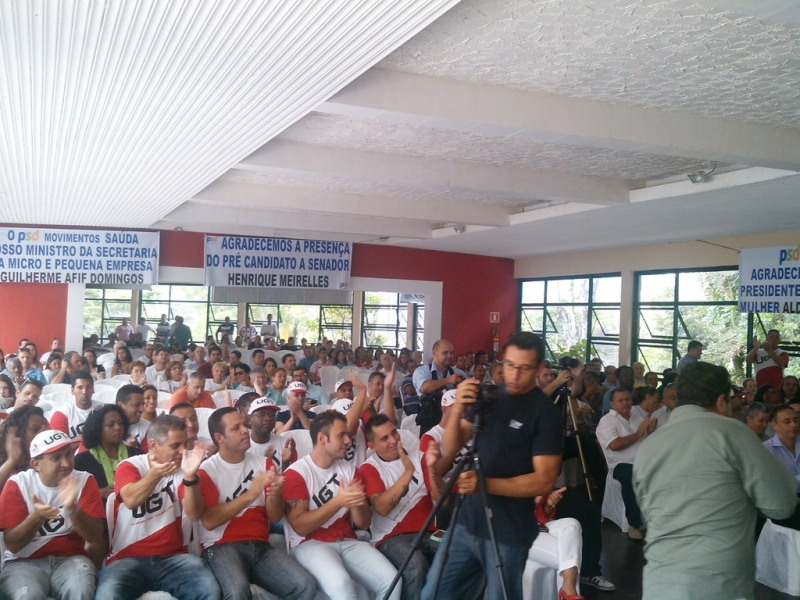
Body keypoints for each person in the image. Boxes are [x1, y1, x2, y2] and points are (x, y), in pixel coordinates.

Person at [633, 361, 797, 600]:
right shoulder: (733, 433)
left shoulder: (649, 447)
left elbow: (649, 512)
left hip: (660, 582)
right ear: (721, 400)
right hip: (719, 584)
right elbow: (781, 504)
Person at [421, 332, 563, 600]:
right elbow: (452, 446)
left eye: (524, 368)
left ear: (538, 368)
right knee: (434, 593)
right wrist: (459, 407)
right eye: (509, 365)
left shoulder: (545, 413)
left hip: (508, 531)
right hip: (466, 522)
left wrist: (485, 484)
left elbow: (544, 480)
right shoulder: (490, 397)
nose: (514, 374)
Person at [185, 407, 316, 600]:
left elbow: (275, 515)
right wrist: (250, 494)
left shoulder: (265, 464)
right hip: (221, 546)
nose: (245, 430)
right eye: (236, 428)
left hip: (260, 545)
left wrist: (275, 496)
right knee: (238, 593)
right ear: (220, 438)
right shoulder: (207, 471)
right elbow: (209, 521)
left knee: (305, 586)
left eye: (244, 425)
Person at [95, 414, 221, 600]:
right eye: (174, 446)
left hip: (174, 558)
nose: (182, 451)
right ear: (154, 445)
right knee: (107, 596)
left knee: (211, 592)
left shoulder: (184, 470)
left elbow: (194, 514)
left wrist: (190, 478)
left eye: (184, 444)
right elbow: (130, 499)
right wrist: (156, 474)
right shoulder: (130, 466)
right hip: (127, 558)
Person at [283, 411, 400, 600]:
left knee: (392, 579)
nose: (348, 440)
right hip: (309, 544)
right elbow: (300, 526)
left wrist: (356, 502)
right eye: (341, 435)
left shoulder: (349, 470)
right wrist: (339, 501)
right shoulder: (296, 474)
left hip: (346, 540)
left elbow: (362, 523)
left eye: (347, 434)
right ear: (322, 438)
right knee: (341, 583)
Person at [0, 429, 107, 600]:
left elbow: (95, 537)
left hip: (71, 558)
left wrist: (72, 508)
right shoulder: (18, 484)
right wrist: (37, 516)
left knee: (81, 590)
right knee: (28, 596)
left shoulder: (85, 480)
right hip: (22, 561)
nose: (66, 463)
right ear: (36, 464)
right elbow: (12, 545)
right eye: (56, 458)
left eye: (68, 454)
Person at [359, 414, 443, 600]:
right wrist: (408, 471)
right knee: (415, 565)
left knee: (465, 552)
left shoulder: (421, 457)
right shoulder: (369, 469)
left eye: (394, 433)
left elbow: (441, 499)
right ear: (372, 446)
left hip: (430, 532)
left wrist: (431, 469)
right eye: (384, 438)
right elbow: (382, 507)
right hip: (390, 537)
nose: (393, 440)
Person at [596, 387, 654, 540]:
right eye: (620, 400)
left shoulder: (637, 418)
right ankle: (634, 525)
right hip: (621, 465)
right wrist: (639, 433)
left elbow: (643, 441)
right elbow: (614, 445)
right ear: (612, 404)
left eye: (627, 399)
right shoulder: (607, 421)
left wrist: (649, 433)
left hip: (643, 461)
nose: (625, 403)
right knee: (631, 475)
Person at [74, 405, 144, 500]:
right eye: (111, 425)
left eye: (120, 423)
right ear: (97, 429)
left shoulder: (137, 454)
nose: (118, 428)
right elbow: (74, 494)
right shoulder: (81, 461)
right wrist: (99, 492)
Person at [0, 406, 49, 492]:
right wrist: (11, 461)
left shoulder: (41, 460)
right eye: (35, 430)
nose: (41, 434)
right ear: (18, 433)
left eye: (44, 430)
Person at [247, 396, 296, 473]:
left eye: (271, 415)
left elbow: (291, 479)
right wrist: (264, 462)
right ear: (250, 419)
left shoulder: (285, 444)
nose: (268, 418)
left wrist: (285, 464)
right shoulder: (242, 448)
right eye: (262, 414)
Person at [49, 371, 103, 441]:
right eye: (80, 388)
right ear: (72, 391)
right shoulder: (61, 414)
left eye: (88, 387)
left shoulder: (103, 409)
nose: (84, 392)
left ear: (93, 390)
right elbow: (59, 447)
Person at [763, 405, 800, 491]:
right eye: (787, 422)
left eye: (796, 420)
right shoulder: (766, 450)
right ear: (774, 425)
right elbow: (775, 483)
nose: (794, 425)